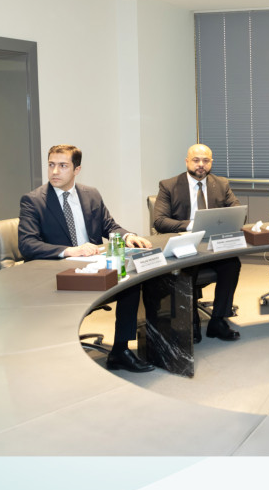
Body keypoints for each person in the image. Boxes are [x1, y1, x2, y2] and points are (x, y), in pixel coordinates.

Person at [18, 144, 154, 373]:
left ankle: (120, 351)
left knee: (131, 282)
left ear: (77, 169)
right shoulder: (33, 201)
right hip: (58, 273)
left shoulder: (91, 194)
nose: (54, 171)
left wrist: (128, 236)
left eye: (63, 166)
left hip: (93, 266)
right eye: (51, 165)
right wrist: (69, 250)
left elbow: (109, 226)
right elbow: (27, 244)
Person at [153, 143, 242, 342]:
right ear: (187, 161)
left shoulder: (221, 184)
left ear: (211, 163)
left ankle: (218, 320)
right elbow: (159, 221)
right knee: (188, 269)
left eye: (205, 160)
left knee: (232, 264)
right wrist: (192, 225)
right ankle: (191, 321)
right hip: (185, 246)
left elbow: (237, 211)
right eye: (196, 160)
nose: (201, 164)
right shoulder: (169, 185)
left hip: (212, 246)